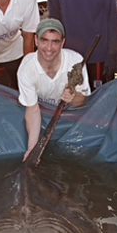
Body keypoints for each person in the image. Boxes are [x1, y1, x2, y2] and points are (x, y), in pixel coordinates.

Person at [18, 19, 91, 160]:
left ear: (62, 42)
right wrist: (32, 150)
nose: (49, 48)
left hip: (70, 115)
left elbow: (82, 100)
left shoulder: (75, 61)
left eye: (55, 41)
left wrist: (73, 97)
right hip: (41, 112)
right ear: (36, 40)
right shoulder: (27, 66)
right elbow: (32, 109)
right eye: (44, 40)